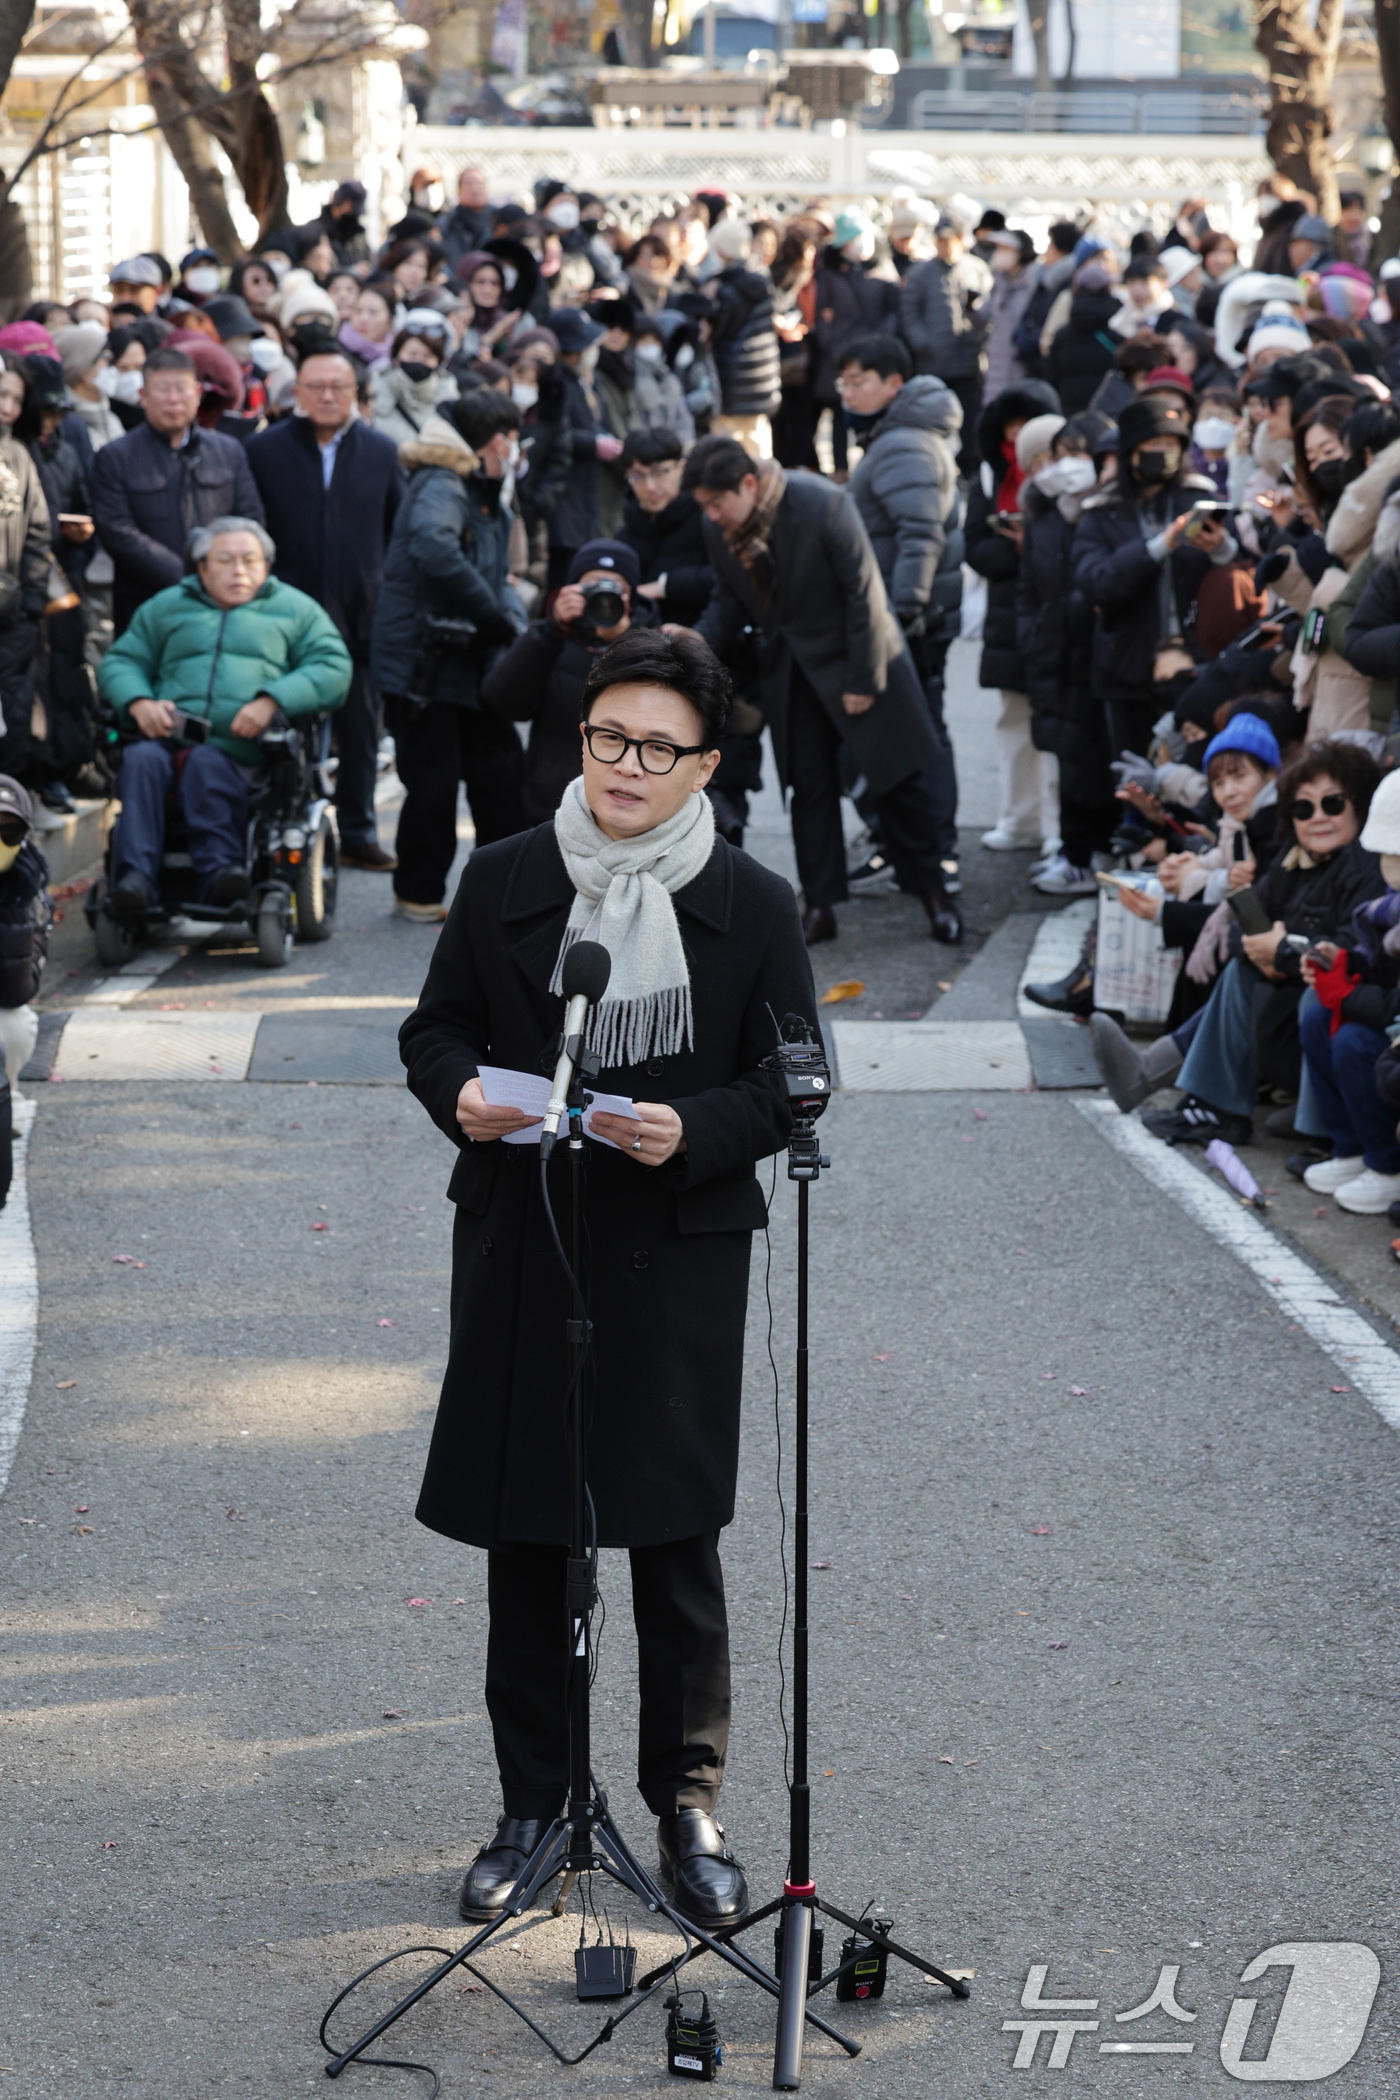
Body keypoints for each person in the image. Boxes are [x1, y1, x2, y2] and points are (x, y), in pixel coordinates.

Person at [398, 623, 817, 1931]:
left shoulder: (752, 904)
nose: (625, 767)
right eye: (607, 738)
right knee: (531, 1535)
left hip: (677, 1250)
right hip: (531, 1234)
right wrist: (458, 1092)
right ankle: (534, 1807)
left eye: (656, 748)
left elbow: (794, 1076)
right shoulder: (511, 874)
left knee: (672, 1546)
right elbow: (439, 1025)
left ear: (703, 764)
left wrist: (700, 1130)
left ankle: (687, 1807)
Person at [687, 435, 958, 945]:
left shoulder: (820, 502)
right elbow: (730, 599)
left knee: (897, 784)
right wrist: (697, 638)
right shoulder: (716, 527)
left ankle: (934, 893)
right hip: (790, 672)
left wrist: (862, 680)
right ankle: (821, 904)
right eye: (705, 506)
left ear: (748, 484)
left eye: (718, 503)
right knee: (808, 792)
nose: (713, 516)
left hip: (858, 658)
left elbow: (864, 593)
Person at [1133, 741, 1384, 1146]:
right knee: (1240, 969)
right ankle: (1217, 1107)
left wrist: (1282, 952)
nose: (1318, 818)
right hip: (1286, 1023)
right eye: (1304, 808)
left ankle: (1323, 1129)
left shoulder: (1368, 866)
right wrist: (1261, 951)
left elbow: (1349, 955)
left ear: (1359, 805)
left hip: (1352, 1023)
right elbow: (1242, 918)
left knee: (1320, 992)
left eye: (1333, 804)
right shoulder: (1294, 858)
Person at [97, 517, 352, 914]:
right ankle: (134, 880)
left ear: (266, 566)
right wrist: (139, 702)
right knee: (140, 759)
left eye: (250, 560)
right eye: (225, 560)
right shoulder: (166, 607)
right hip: (166, 741)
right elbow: (121, 661)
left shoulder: (295, 610)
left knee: (205, 762)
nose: (239, 571)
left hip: (244, 756)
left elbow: (334, 667)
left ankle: (222, 873)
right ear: (201, 567)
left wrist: (272, 700)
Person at [370, 389, 528, 920]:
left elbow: (497, 572)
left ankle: (504, 891)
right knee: (433, 785)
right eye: (512, 440)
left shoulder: (481, 490)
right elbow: (435, 548)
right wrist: (494, 617)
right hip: (425, 663)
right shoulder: (442, 481)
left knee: (501, 775)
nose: (515, 450)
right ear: (496, 441)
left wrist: (512, 623)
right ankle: (418, 893)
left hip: (470, 659)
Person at [246, 346, 405, 872]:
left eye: (340, 387)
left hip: (361, 616)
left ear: (357, 394)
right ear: (297, 393)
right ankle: (281, 829)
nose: (328, 396)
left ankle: (357, 832)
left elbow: (397, 532)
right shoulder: (265, 450)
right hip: (285, 617)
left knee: (360, 732)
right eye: (316, 386)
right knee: (286, 729)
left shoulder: (382, 451)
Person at [840, 333, 963, 902]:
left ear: (894, 383)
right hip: (911, 617)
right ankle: (918, 848)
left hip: (907, 620)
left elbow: (921, 534)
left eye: (858, 380)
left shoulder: (902, 443)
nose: (847, 392)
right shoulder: (900, 437)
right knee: (920, 735)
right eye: (843, 381)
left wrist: (903, 611)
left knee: (916, 740)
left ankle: (928, 852)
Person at [1072, 393, 1237, 761]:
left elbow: (1242, 573)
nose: (1163, 453)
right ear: (1132, 452)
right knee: (1135, 774)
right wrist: (1161, 544)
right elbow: (1097, 583)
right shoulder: (1101, 513)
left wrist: (1221, 548)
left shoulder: (1201, 498)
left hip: (1198, 663)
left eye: (1171, 445)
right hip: (1127, 666)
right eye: (1153, 445)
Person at [90, 346, 264, 635]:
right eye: (162, 389)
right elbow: (117, 531)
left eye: (181, 389)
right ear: (143, 396)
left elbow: (250, 517)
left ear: (197, 393)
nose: (173, 399)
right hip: (146, 603)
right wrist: (189, 575)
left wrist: (219, 571)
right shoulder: (115, 456)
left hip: (222, 601)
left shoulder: (228, 450)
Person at [1015, 411, 1118, 894]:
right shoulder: (1043, 511)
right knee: (1070, 756)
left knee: (1100, 759)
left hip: (1105, 654)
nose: (1065, 466)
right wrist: (1031, 633)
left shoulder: (1112, 511)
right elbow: (1027, 589)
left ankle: (1092, 851)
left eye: (1077, 454)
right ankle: (1074, 850)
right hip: (1056, 651)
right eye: (1058, 457)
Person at [482, 537, 655, 824]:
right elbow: (503, 700)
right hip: (550, 806)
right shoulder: (552, 641)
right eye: (591, 587)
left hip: (624, 808)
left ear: (631, 597)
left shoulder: (653, 643)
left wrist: (627, 641)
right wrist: (551, 630)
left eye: (616, 589)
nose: (603, 596)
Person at [964, 381, 1063, 854]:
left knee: (1057, 726)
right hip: (1008, 621)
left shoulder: (1066, 476)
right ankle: (1020, 817)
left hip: (1054, 616)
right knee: (1014, 722)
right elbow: (976, 548)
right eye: (1012, 426)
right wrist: (1018, 549)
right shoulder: (989, 475)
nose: (1021, 435)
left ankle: (1056, 826)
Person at [1295, 768, 1400, 1211]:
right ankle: (1351, 1147)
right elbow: (1380, 965)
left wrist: (1346, 995)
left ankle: (1387, 1164)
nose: (1387, 864)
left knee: (1356, 1041)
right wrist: (1343, 962)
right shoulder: (1387, 909)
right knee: (1317, 1018)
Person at [809, 211, 899, 480]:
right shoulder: (828, 272)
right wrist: (833, 345)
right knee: (840, 410)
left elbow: (893, 311)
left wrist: (880, 342)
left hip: (875, 353)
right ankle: (839, 467)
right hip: (839, 355)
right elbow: (820, 312)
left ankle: (873, 463)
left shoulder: (884, 269)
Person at [898, 211, 991, 457]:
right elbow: (909, 312)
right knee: (931, 420)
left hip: (968, 362)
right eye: (939, 240)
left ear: (961, 239)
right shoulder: (920, 274)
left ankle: (969, 465)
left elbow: (990, 311)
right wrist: (922, 342)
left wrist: (979, 338)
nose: (943, 246)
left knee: (969, 420)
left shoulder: (977, 269)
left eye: (948, 240)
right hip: (933, 363)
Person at [617, 426, 713, 627]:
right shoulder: (625, 536)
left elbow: (726, 581)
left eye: (659, 472)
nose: (650, 486)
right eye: (638, 476)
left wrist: (666, 586)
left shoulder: (708, 518)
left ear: (681, 467)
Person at [706, 217, 781, 459]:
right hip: (761, 380)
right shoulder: (761, 277)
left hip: (733, 378)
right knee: (759, 448)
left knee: (729, 454)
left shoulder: (727, 288)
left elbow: (717, 329)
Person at [0, 774, 50, 1119]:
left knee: (14, 1025)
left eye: (10, 833)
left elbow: (16, 990)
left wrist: (12, 904)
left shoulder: (28, 890)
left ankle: (6, 1093)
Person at [370, 319, 460, 446]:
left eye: (427, 357)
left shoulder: (449, 394)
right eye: (412, 354)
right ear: (396, 357)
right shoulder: (375, 387)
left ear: (439, 363)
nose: (418, 361)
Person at [982, 228, 1039, 400]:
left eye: (1006, 249)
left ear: (1020, 253)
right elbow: (985, 315)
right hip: (997, 370)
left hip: (1023, 370)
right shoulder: (999, 283)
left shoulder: (1035, 282)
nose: (1000, 254)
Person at [439, 166, 495, 275]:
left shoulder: (498, 221)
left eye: (479, 184)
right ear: (459, 190)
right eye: (469, 184)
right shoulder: (446, 224)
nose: (475, 189)